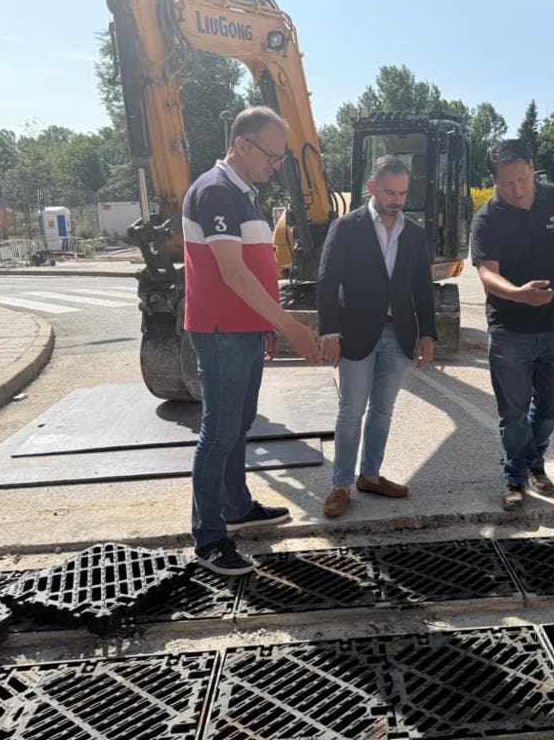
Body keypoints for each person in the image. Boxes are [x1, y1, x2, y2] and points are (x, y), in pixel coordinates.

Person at [183, 106, 322, 575]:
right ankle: (208, 537)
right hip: (221, 331)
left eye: (280, 157)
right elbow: (234, 273)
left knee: (238, 424)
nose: (276, 165)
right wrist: (290, 325)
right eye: (271, 155)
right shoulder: (216, 192)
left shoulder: (244, 194)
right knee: (219, 432)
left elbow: (255, 270)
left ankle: (236, 507)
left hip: (243, 329)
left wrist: (263, 324)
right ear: (242, 144)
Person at [470, 140, 554, 511]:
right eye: (506, 183)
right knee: (512, 413)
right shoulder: (487, 219)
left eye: (522, 179)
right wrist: (518, 294)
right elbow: (486, 273)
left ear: (532, 168)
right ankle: (516, 475)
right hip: (509, 333)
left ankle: (534, 459)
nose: (516, 189)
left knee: (549, 406)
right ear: (494, 180)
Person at [316, 155, 436, 518]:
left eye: (402, 193)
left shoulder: (413, 233)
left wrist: (427, 334)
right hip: (356, 333)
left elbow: (422, 287)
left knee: (383, 409)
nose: (397, 200)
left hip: (399, 334)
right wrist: (329, 332)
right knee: (351, 410)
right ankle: (341, 484)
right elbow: (326, 282)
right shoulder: (346, 227)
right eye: (389, 192)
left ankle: (370, 475)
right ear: (372, 188)